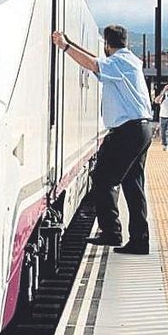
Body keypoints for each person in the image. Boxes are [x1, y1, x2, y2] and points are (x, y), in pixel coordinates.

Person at [52, 25, 153, 255]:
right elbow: (96, 62)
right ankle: (139, 240)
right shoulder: (129, 61)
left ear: (108, 44)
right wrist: (69, 43)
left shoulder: (118, 62)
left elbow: (92, 64)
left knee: (102, 178)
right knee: (133, 185)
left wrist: (64, 46)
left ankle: (112, 233)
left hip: (127, 130)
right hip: (141, 129)